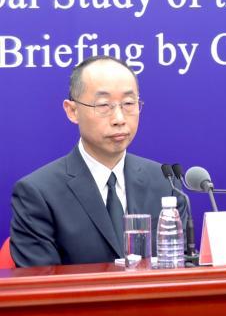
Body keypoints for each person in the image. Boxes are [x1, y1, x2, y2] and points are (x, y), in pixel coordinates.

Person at [10, 56, 187, 266]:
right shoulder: (38, 193)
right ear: (72, 111)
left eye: (129, 103)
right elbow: (41, 281)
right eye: (104, 105)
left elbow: (181, 269)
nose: (119, 119)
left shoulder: (165, 183)